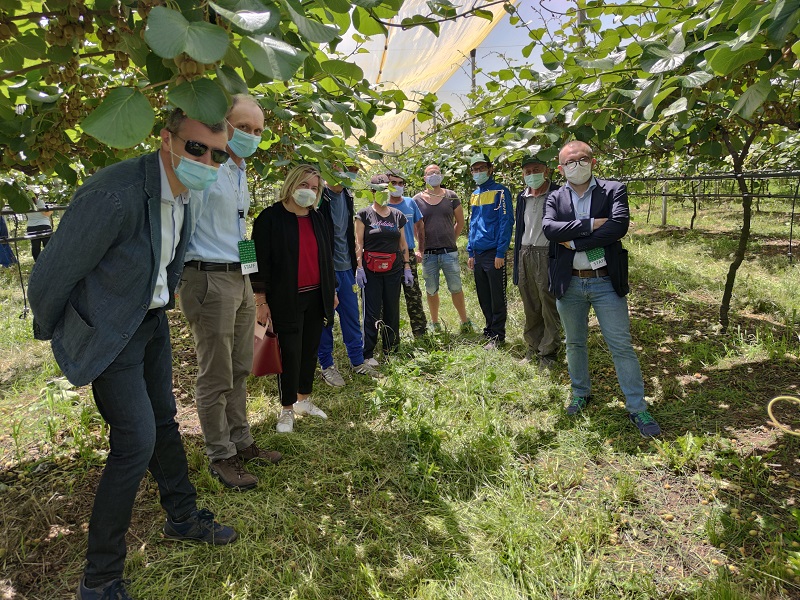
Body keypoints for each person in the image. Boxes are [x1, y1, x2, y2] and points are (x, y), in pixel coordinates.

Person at [28, 108, 238, 600]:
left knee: (164, 420)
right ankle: (100, 579)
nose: (206, 160)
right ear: (166, 139)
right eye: (195, 148)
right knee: (135, 442)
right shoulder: (114, 194)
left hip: (150, 322)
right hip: (112, 332)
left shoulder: (191, 193)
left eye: (217, 153)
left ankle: (182, 517)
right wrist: (70, 335)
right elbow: (49, 279)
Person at [179, 94, 281, 491]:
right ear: (223, 124)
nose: (252, 137)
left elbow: (241, 235)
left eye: (258, 131)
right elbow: (184, 227)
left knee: (240, 366)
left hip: (237, 278)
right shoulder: (207, 168)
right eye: (245, 127)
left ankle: (242, 442)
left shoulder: (238, 172)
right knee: (215, 373)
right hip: (208, 277)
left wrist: (254, 286)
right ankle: (219, 454)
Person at [542, 140, 661, 438]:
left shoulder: (613, 189)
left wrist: (577, 239)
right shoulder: (555, 196)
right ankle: (580, 393)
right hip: (569, 281)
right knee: (575, 343)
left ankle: (637, 407)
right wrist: (594, 223)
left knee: (621, 345)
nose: (576, 165)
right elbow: (550, 230)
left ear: (593, 161)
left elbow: (618, 226)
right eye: (570, 162)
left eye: (582, 159)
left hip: (605, 281)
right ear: (560, 168)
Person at [251, 165, 336, 434]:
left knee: (309, 349)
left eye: (314, 188)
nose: (309, 192)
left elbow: (327, 256)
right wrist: (260, 300)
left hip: (316, 294)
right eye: (304, 186)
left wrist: (331, 291)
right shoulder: (269, 218)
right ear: (291, 185)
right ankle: (286, 408)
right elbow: (253, 260)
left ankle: (304, 400)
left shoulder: (319, 217)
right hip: (285, 297)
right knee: (289, 352)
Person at [316, 161, 381, 386]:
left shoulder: (347, 196)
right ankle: (327, 365)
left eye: (354, 170)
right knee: (325, 320)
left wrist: (356, 264)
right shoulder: (318, 196)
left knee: (352, 316)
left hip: (346, 268)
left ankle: (356, 360)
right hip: (325, 270)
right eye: (346, 168)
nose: (350, 174)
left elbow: (346, 234)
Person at [355, 174, 413, 365]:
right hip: (370, 271)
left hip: (393, 269)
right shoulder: (363, 215)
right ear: (372, 191)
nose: (384, 193)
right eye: (380, 190)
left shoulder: (398, 216)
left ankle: (391, 349)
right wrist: (359, 267)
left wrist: (407, 267)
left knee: (392, 309)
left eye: (386, 189)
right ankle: (368, 353)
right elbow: (359, 243)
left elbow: (402, 242)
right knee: (371, 311)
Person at [513, 152, 561, 367]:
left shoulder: (558, 193)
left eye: (536, 170)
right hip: (525, 251)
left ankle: (549, 352)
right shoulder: (522, 197)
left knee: (547, 303)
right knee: (530, 303)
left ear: (546, 170)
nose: (532, 175)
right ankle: (533, 347)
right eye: (527, 172)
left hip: (546, 253)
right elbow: (520, 228)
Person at [413, 164, 473, 333]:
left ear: (441, 176)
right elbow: (414, 227)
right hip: (429, 253)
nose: (433, 175)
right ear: (424, 178)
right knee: (431, 289)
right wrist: (421, 245)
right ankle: (434, 323)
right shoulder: (417, 199)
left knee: (456, 287)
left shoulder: (451, 196)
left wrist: (451, 240)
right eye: (429, 173)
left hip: (449, 252)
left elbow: (459, 222)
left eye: (436, 173)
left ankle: (464, 321)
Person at [467, 152, 514, 349]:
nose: (478, 172)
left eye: (482, 168)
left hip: (493, 252)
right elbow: (472, 224)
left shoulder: (501, 192)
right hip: (478, 253)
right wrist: (470, 252)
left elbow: (506, 222)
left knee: (497, 296)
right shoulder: (475, 195)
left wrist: (501, 252)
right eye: (475, 169)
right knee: (483, 295)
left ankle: (498, 335)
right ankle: (489, 330)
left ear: (490, 169)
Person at [387, 169, 427, 338]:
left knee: (413, 295)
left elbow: (421, 227)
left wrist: (420, 250)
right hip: (388, 255)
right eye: (393, 183)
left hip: (408, 254)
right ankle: (390, 335)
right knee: (389, 297)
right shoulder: (382, 205)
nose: (397, 186)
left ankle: (420, 334)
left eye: (400, 183)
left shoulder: (411, 203)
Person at [26, 197, 53, 261]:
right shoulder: (40, 202)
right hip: (44, 225)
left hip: (31, 226)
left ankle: (37, 263)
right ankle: (49, 261)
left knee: (35, 247)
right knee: (48, 246)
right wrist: (51, 210)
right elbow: (45, 213)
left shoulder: (25, 203)